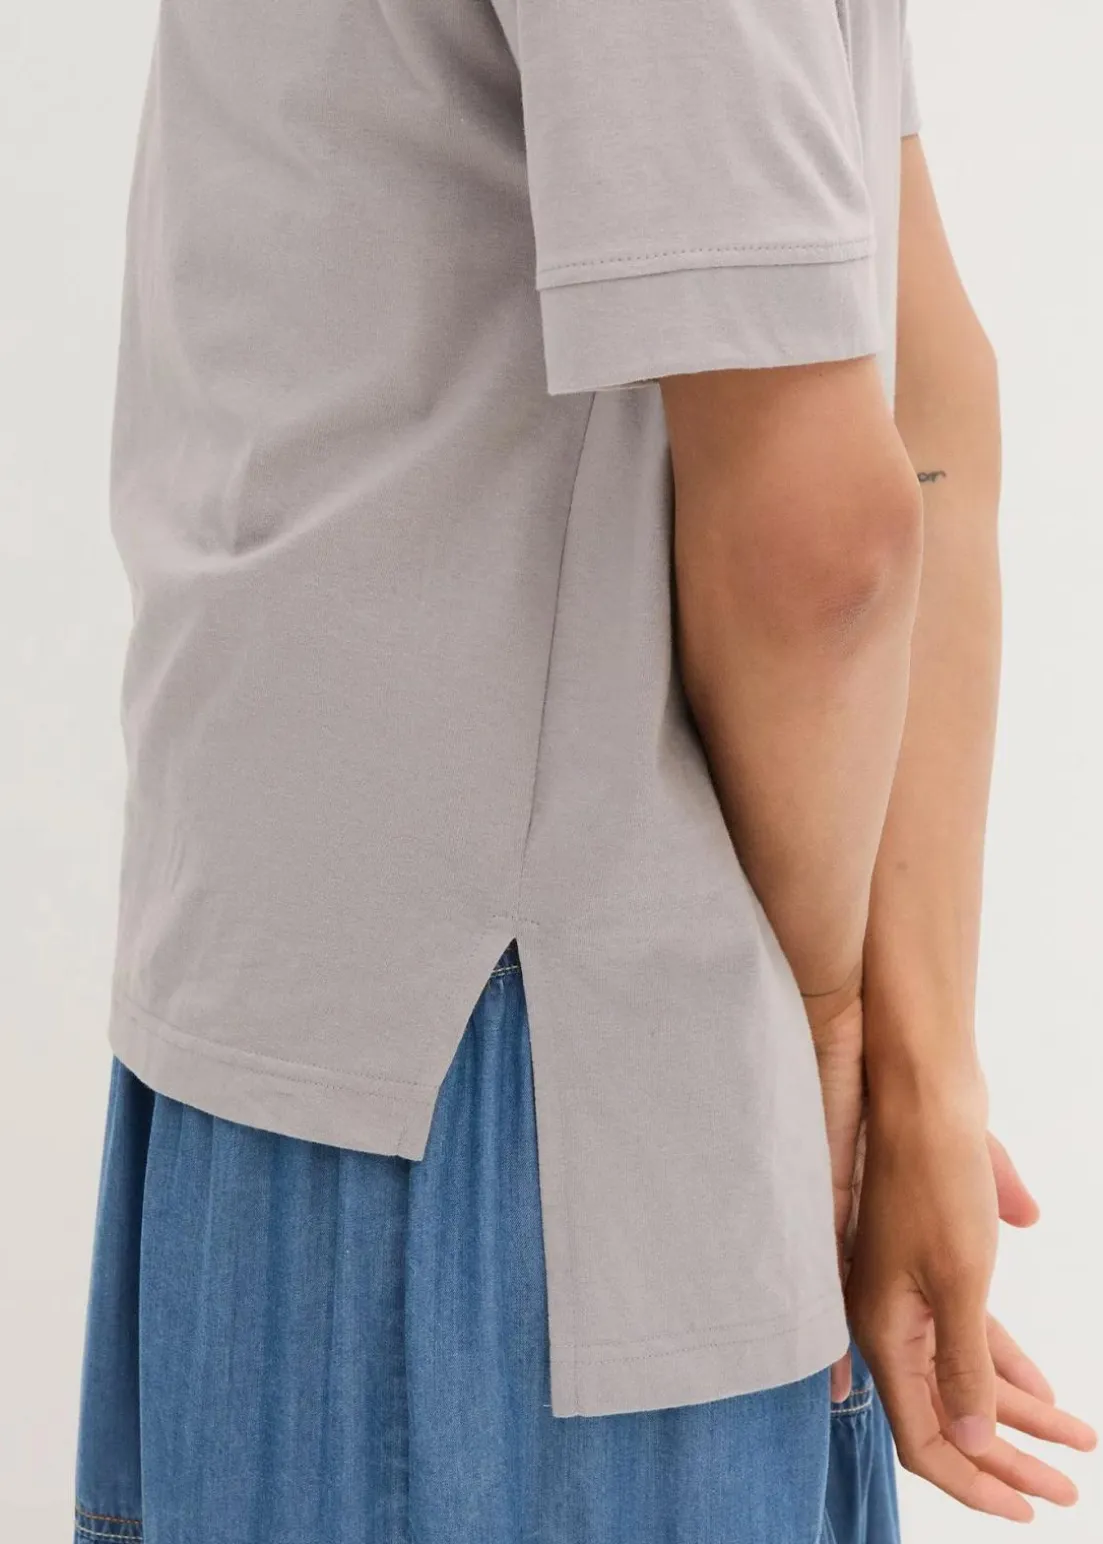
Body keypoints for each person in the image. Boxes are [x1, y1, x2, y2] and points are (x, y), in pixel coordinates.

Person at [73, 0, 1095, 1540]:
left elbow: (831, 518)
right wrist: (900, 1053)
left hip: (489, 1093)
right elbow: (914, 381)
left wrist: (855, 1034)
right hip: (420, 1058)